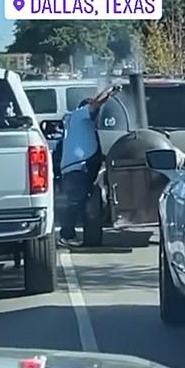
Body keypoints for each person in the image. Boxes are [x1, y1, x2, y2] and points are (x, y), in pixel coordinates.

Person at [58, 82, 122, 248]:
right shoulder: (80, 115)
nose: (96, 115)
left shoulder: (80, 123)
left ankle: (68, 234)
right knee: (74, 202)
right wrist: (109, 90)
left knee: (78, 201)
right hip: (77, 167)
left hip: (78, 167)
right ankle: (66, 235)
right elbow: (95, 104)